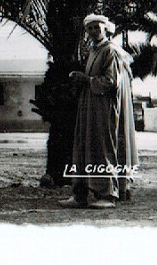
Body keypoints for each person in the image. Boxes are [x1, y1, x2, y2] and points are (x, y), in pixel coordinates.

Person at [60, 14, 139, 209]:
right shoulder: (94, 51)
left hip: (104, 109)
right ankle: (80, 194)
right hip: (90, 106)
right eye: (90, 28)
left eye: (97, 27)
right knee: (84, 146)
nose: (94, 31)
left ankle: (108, 194)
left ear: (106, 29)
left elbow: (112, 82)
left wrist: (86, 79)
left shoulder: (111, 51)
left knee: (103, 147)